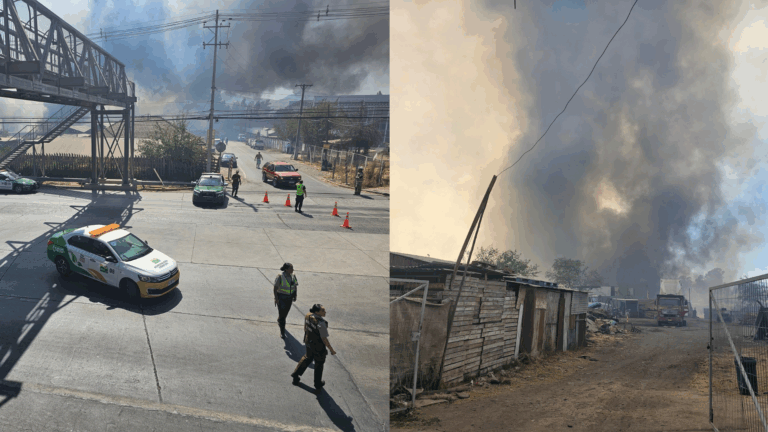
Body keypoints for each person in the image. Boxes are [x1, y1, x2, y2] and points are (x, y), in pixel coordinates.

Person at [291, 304, 336, 392]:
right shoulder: (321, 323)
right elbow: (324, 339)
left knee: (307, 358)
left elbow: (305, 329)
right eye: (322, 310)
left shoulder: (308, 316)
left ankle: (295, 375)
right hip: (318, 346)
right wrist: (331, 350)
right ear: (317, 312)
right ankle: (317, 384)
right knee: (319, 364)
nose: (325, 312)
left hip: (308, 342)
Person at [274, 263, 298, 338]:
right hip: (281, 298)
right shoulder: (280, 277)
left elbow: (295, 286)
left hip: (289, 298)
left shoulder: (293, 276)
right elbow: (275, 288)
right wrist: (276, 298)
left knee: (285, 313)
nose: (293, 270)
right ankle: (282, 331)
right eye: (291, 268)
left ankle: (280, 319)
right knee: (282, 316)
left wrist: (295, 295)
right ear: (286, 269)